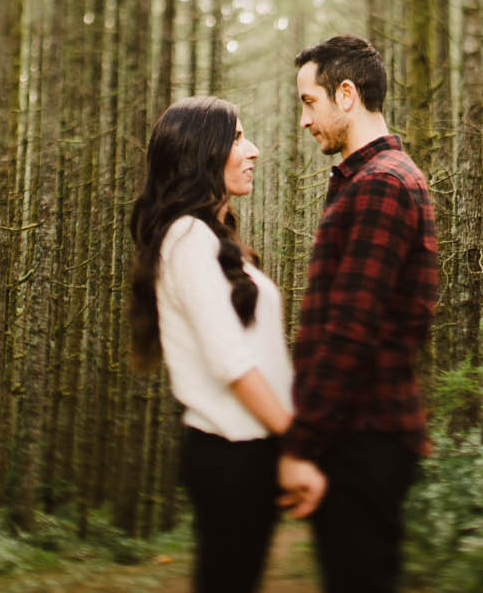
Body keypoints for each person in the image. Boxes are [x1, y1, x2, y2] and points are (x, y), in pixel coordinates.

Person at [279, 34, 439, 593]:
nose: (305, 121)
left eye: (308, 102)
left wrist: (303, 446)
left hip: (364, 441)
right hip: (361, 436)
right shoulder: (366, 181)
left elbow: (349, 334)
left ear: (346, 94)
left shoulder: (381, 185)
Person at [128, 96, 294, 593]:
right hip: (229, 457)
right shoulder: (186, 240)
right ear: (204, 152)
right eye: (239, 138)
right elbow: (231, 362)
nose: (254, 151)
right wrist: (300, 439)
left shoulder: (208, 239)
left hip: (249, 452)